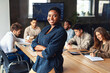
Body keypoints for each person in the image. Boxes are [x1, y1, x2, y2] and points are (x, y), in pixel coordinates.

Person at [29, 7, 67, 73]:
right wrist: (44, 48)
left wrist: (38, 52)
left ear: (59, 17)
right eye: (49, 16)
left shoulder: (61, 32)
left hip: (51, 64)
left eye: (54, 16)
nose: (51, 18)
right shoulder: (46, 28)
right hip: (39, 62)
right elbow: (34, 42)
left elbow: (49, 53)